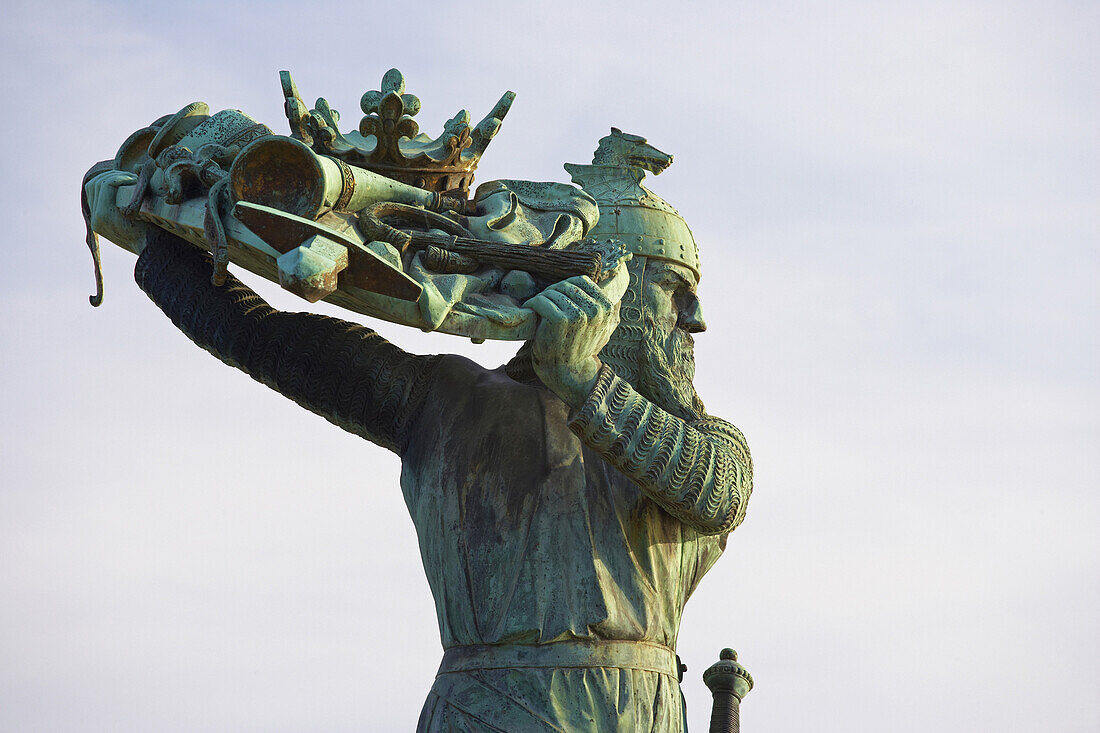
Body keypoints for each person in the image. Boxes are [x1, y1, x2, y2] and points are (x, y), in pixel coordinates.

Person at [85, 167, 752, 732]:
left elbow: (716, 491)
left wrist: (584, 378)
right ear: (607, 284)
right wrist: (152, 234)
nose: (694, 319)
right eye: (672, 286)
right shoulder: (447, 398)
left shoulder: (711, 450)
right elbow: (260, 337)